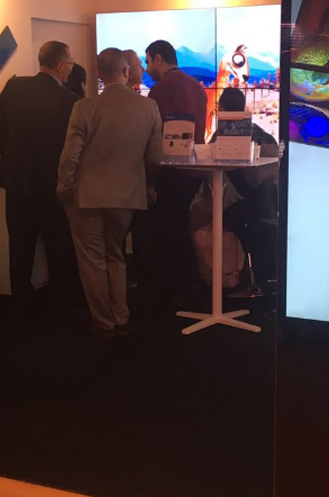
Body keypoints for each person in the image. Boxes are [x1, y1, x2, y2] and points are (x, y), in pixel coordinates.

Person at [58, 48, 162, 337]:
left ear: (99, 74)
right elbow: (154, 157)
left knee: (92, 260)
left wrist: (63, 188)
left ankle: (104, 323)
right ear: (126, 72)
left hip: (85, 197)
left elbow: (70, 157)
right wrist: (148, 186)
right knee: (116, 255)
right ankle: (121, 316)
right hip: (126, 196)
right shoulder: (149, 108)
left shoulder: (84, 108)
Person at [0, 41, 84, 320]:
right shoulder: (70, 101)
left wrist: (13, 160)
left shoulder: (14, 87)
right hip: (50, 183)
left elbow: (1, 133)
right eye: (70, 62)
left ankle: (21, 306)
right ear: (61, 66)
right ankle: (61, 307)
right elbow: (70, 149)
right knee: (58, 246)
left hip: (16, 180)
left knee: (19, 247)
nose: (71, 68)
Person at [145, 40, 208, 304]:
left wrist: (150, 180)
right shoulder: (197, 87)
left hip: (170, 170)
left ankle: (178, 288)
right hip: (194, 168)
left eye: (148, 61)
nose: (147, 68)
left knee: (168, 230)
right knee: (181, 224)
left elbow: (153, 137)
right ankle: (192, 285)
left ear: (158, 59)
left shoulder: (160, 89)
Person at [218, 88, 279, 292]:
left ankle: (244, 276)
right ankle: (261, 278)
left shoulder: (220, 139)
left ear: (221, 109)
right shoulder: (265, 137)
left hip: (239, 207)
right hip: (268, 207)